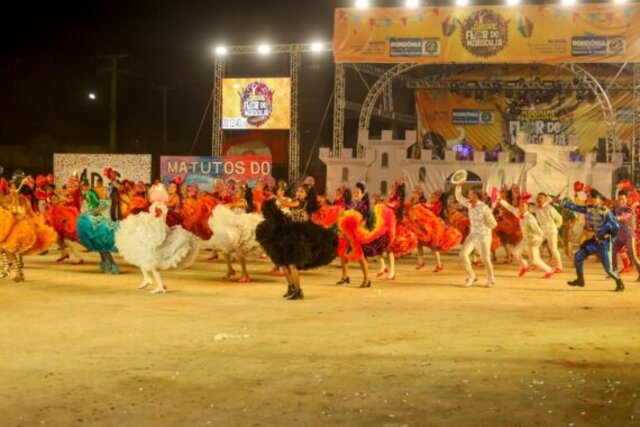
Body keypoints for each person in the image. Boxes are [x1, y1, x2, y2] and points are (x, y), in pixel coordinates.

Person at [256, 184, 337, 300]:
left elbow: (288, 204)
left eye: (302, 192)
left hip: (300, 235)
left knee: (291, 264)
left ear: (306, 195)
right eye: (298, 191)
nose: (299, 193)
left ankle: (298, 291)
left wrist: (276, 197)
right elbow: (282, 207)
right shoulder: (295, 201)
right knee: (283, 263)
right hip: (290, 233)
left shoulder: (302, 203)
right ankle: (291, 287)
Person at [116, 183, 200, 294]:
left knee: (149, 259)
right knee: (143, 254)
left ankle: (159, 285)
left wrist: (144, 222)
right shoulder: (163, 206)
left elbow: (155, 218)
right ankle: (147, 278)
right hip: (160, 230)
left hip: (154, 232)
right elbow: (161, 219)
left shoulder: (156, 205)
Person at [562, 189, 625, 292]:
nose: (593, 200)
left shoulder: (605, 211)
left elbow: (615, 226)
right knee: (578, 256)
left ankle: (619, 282)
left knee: (608, 269)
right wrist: (566, 204)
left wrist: (610, 237)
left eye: (595, 198)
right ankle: (580, 279)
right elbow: (577, 208)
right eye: (592, 197)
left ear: (600, 199)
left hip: (604, 243)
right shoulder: (589, 209)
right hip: (595, 241)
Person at [499, 192, 554, 279]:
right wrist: (500, 200)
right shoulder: (518, 213)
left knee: (535, 260)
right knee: (515, 253)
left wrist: (539, 241)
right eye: (520, 206)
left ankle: (549, 270)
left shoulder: (530, 219)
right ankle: (525, 266)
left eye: (523, 207)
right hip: (525, 239)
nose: (520, 208)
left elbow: (539, 231)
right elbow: (509, 207)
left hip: (533, 240)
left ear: (527, 208)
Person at [455, 184, 497, 287]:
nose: (468, 195)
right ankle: (471, 276)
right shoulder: (469, 204)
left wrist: (488, 222)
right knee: (463, 255)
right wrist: (458, 187)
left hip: (484, 236)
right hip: (473, 235)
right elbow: (459, 197)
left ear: (475, 195)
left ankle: (491, 279)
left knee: (485, 258)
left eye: (470, 193)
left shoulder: (484, 208)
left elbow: (494, 224)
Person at [612, 191, 640, 281]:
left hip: (629, 236)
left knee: (632, 256)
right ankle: (614, 272)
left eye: (623, 199)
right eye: (619, 199)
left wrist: (616, 218)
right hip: (619, 236)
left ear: (627, 199)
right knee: (612, 252)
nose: (621, 201)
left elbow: (624, 217)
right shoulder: (616, 208)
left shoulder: (629, 209)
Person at [535, 193, 564, 272]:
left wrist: (555, 228)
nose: (540, 199)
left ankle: (559, 266)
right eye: (539, 198)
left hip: (551, 231)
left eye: (542, 198)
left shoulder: (549, 208)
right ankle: (536, 263)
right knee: (535, 246)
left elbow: (559, 219)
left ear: (545, 199)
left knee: (553, 249)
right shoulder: (536, 209)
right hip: (542, 231)